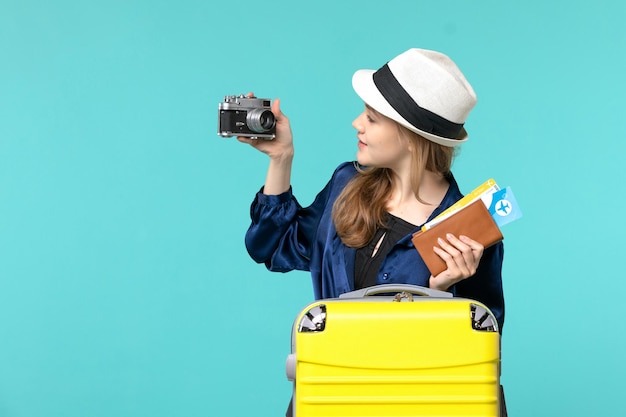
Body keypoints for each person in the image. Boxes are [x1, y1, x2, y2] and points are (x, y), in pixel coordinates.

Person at [238, 48, 504, 330]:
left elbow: (478, 351)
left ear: (412, 138)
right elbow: (269, 246)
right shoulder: (346, 184)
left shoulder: (467, 236)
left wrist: (441, 293)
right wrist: (281, 158)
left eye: (372, 118)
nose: (357, 124)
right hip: (331, 372)